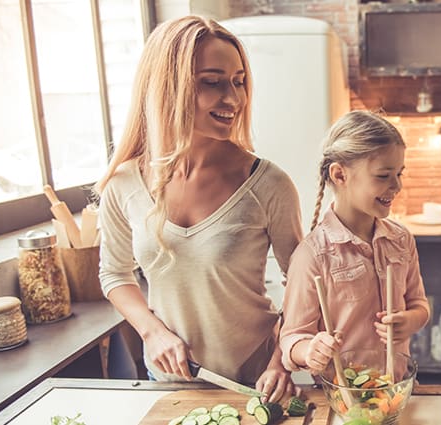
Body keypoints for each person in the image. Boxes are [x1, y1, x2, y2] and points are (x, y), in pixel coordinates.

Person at [96, 15, 303, 401]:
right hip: (169, 380)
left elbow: (303, 286)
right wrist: (152, 332)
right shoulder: (123, 183)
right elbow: (115, 274)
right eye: (212, 83)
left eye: (239, 82)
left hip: (257, 381)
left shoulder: (269, 184)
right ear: (167, 87)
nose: (235, 99)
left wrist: (280, 361)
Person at [279, 111, 430, 374]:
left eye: (399, 174)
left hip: (398, 390)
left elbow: (420, 304)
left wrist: (411, 320)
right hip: (344, 398)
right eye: (383, 176)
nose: (396, 185)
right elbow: (291, 338)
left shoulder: (401, 240)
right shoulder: (312, 256)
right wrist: (310, 350)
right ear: (340, 175)